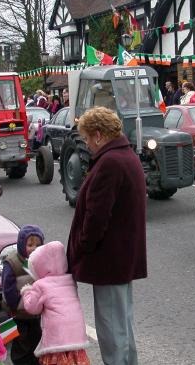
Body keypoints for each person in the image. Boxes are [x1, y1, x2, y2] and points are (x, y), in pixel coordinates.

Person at [67, 107, 146, 365]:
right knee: (123, 327)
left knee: (112, 332)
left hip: (109, 260)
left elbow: (96, 218)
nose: (87, 145)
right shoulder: (126, 156)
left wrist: (80, 247)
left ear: (99, 135)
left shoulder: (109, 163)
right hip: (122, 257)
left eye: (88, 138)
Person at [21, 241, 90, 365]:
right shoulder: (70, 280)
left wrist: (27, 292)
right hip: (76, 333)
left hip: (56, 337)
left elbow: (33, 308)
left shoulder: (40, 285)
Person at [2, 225, 44, 365]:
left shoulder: (41, 259)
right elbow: (8, 288)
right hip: (19, 313)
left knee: (37, 341)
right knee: (21, 345)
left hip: (36, 312)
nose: (34, 248)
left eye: (38, 245)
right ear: (21, 244)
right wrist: (15, 305)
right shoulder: (12, 262)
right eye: (30, 244)